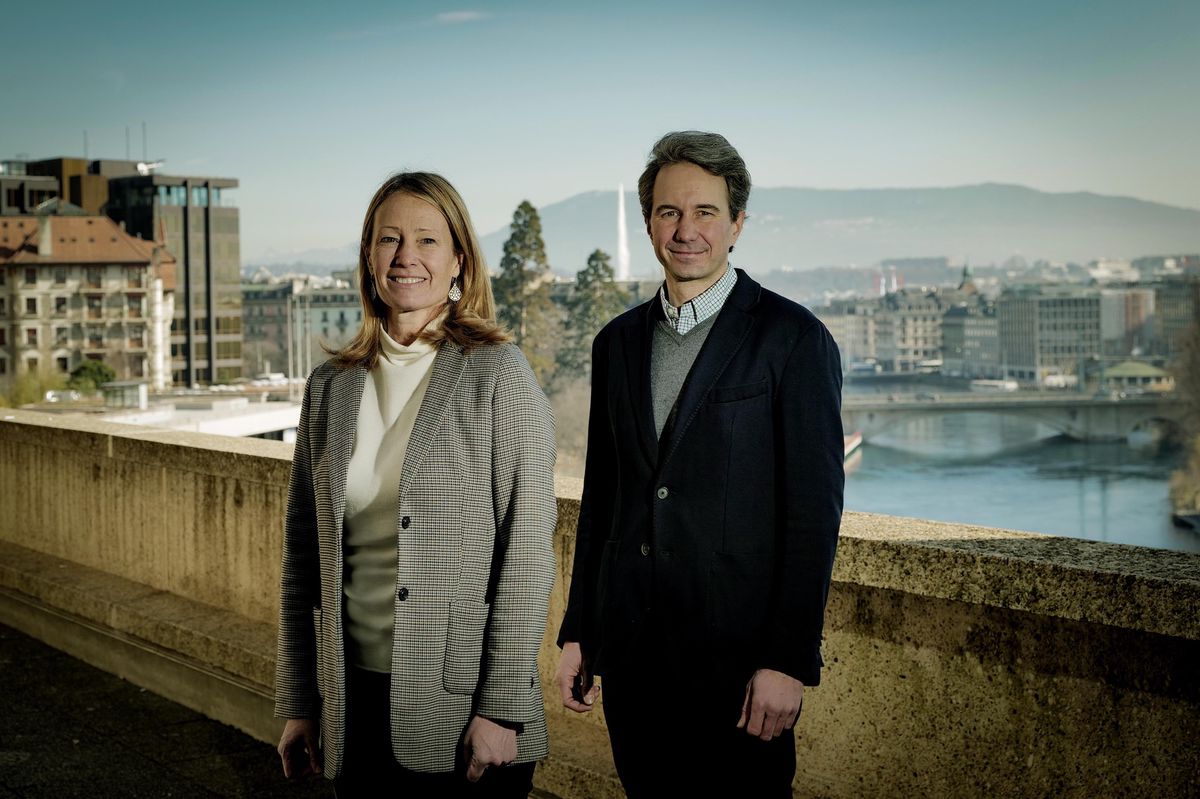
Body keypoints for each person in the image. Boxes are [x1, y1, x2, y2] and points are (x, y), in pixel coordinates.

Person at [555, 131, 844, 798]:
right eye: (669, 212)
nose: (686, 230)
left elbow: (812, 516)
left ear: (737, 223)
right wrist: (580, 633)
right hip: (633, 667)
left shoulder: (793, 339)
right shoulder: (616, 343)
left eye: (705, 212)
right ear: (649, 222)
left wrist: (787, 661)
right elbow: (603, 501)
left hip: (740, 675)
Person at [275, 172, 556, 797]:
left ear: (459, 260)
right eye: (389, 239)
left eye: (427, 240)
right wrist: (300, 700)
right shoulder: (329, 386)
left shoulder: (497, 374)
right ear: (368, 256)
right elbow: (303, 560)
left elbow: (528, 553)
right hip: (349, 703)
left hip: (466, 712)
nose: (406, 256)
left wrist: (503, 709)